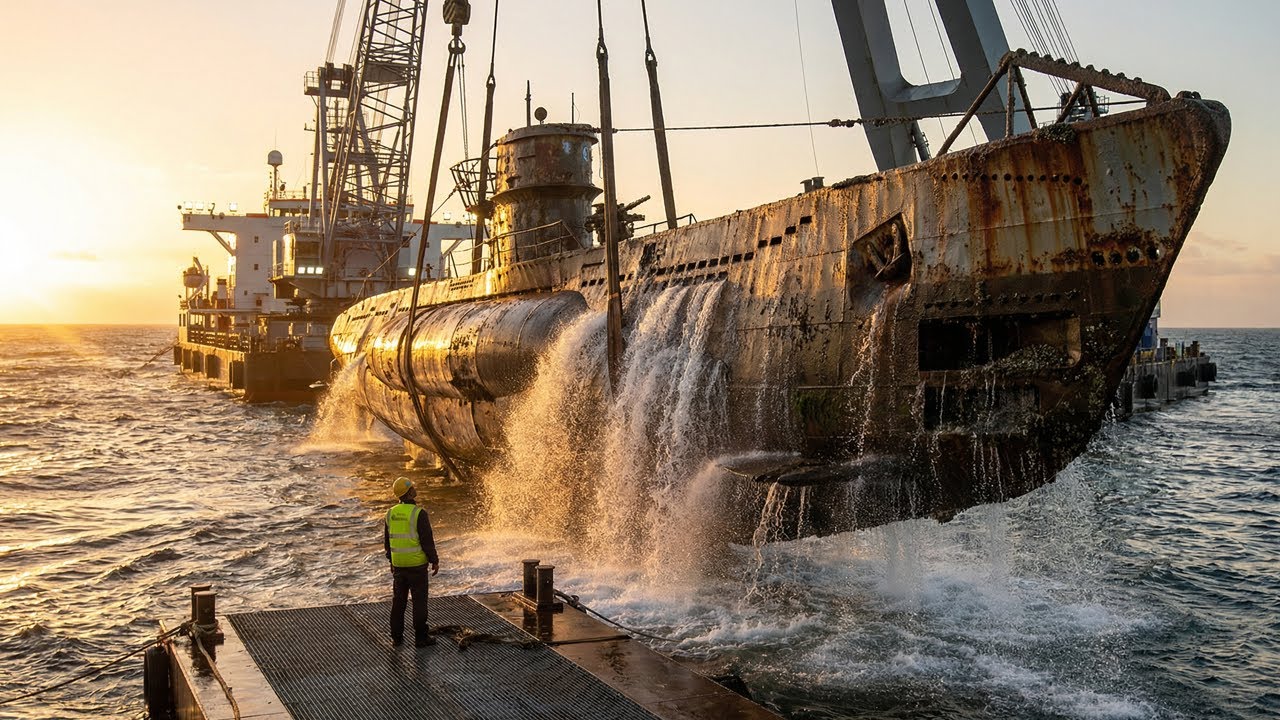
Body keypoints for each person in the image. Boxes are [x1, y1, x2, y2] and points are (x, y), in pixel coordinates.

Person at [383, 476, 440, 647]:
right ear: (409, 493)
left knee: (398, 602)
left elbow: (388, 542)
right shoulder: (418, 514)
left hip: (399, 565)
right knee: (419, 602)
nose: (415, 489)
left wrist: (391, 561)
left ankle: (396, 637)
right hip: (417, 566)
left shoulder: (390, 513)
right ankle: (421, 638)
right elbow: (427, 541)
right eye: (412, 488)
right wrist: (434, 560)